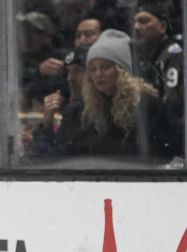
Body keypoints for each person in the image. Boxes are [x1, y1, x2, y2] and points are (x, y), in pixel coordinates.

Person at [53, 29, 180, 161]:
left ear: (122, 71)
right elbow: (63, 154)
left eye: (105, 67)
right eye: (93, 69)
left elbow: (169, 153)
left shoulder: (148, 107)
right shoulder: (83, 111)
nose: (98, 74)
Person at [131, 2, 184, 133]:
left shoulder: (174, 53)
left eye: (144, 21)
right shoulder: (141, 56)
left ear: (163, 26)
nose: (137, 27)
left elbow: (174, 104)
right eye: (135, 22)